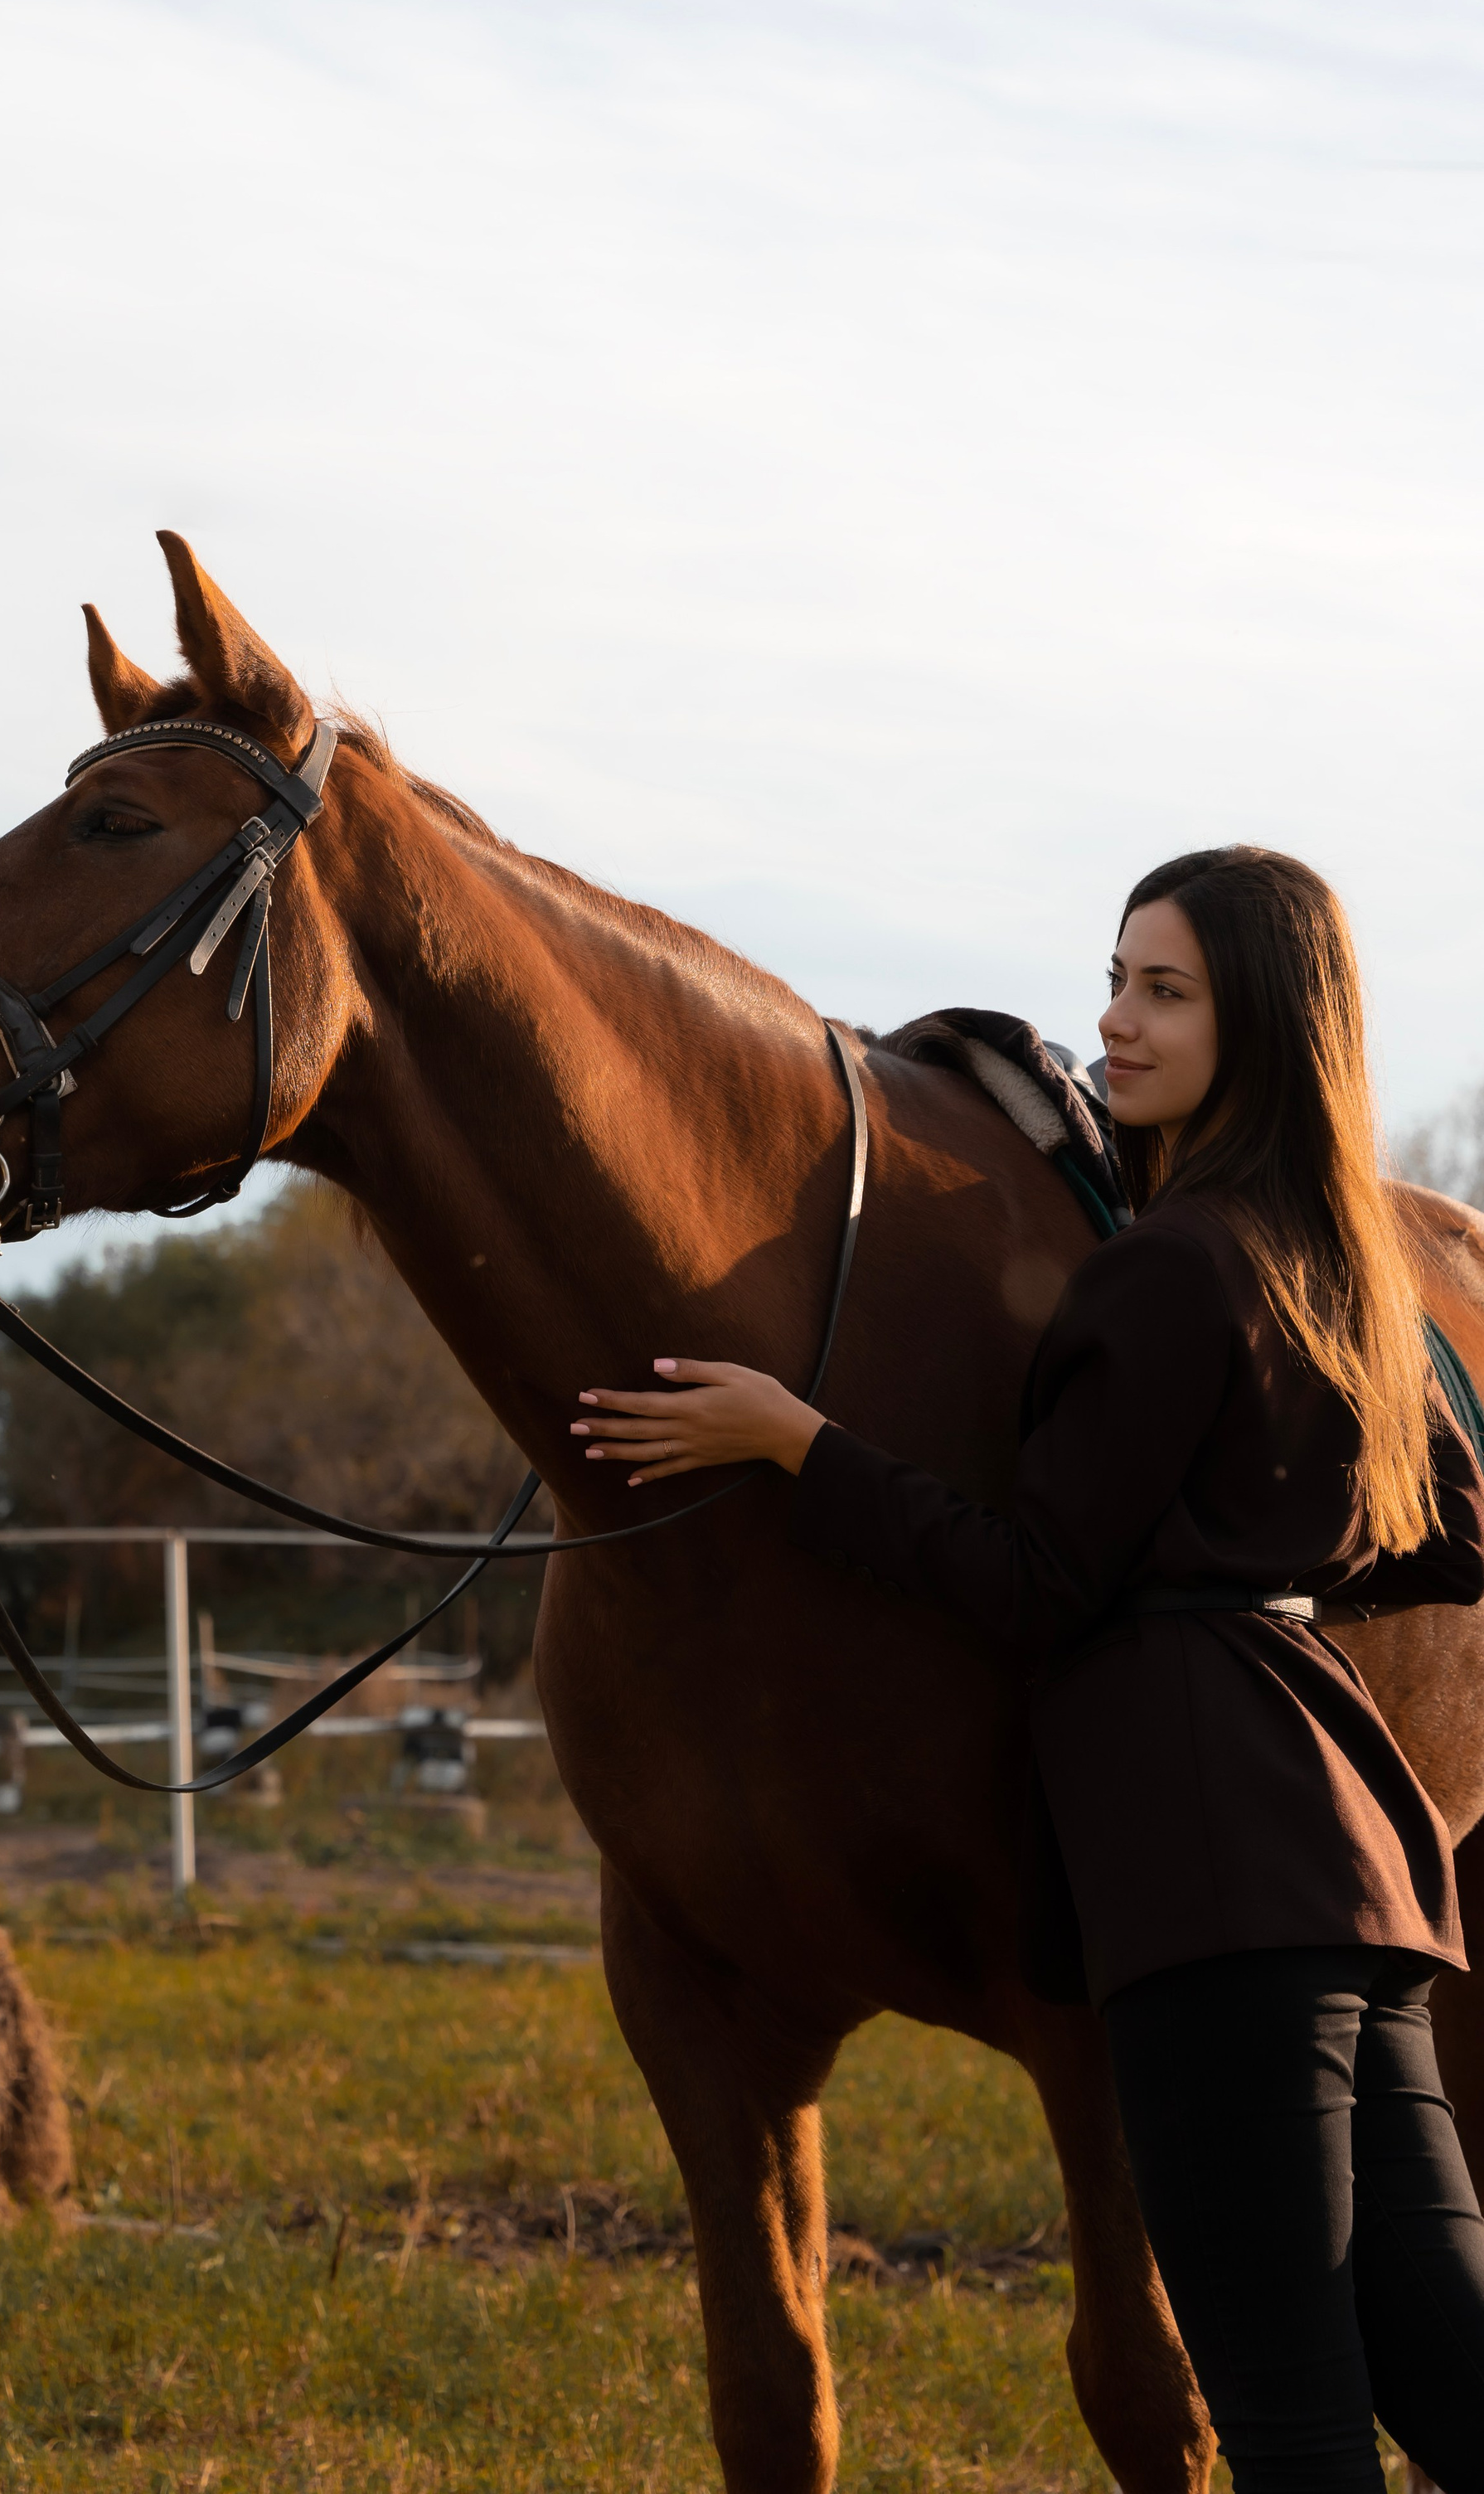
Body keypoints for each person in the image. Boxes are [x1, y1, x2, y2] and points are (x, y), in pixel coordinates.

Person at [571, 845, 1484, 2492]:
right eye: (1117, 978)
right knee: (1455, 2368)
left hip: (1210, 1885)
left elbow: (1032, 1582)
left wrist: (798, 1444)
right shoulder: (1333, 1265)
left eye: (1162, 991)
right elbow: (1451, 1537)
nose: (1110, 1023)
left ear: (1261, 1022)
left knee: (1285, 2413)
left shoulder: (1165, 1266)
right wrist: (1250, 1545)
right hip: (1365, 1870)